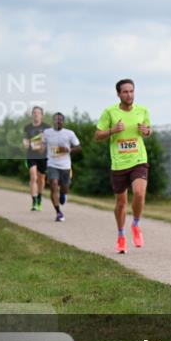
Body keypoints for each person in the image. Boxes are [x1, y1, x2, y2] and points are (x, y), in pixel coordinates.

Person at [95, 79, 152, 254]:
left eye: (131, 91)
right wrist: (112, 130)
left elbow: (149, 130)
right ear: (119, 94)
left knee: (140, 193)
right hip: (119, 163)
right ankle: (121, 236)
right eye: (125, 92)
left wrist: (147, 131)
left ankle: (135, 224)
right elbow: (97, 135)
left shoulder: (142, 110)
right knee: (121, 203)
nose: (129, 95)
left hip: (138, 160)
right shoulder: (109, 112)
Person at [41, 112, 81, 222]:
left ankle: (63, 194)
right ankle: (58, 212)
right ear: (52, 121)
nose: (58, 121)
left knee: (65, 188)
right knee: (53, 184)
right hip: (52, 164)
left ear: (63, 121)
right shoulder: (47, 133)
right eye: (56, 119)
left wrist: (69, 150)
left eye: (60, 120)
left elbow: (78, 147)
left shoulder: (69, 133)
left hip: (65, 166)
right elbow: (42, 145)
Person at [22, 106, 48, 211]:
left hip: (43, 156)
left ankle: (40, 198)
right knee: (33, 177)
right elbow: (25, 142)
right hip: (31, 156)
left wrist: (42, 145)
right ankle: (34, 202)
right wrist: (27, 143)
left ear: (42, 115)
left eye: (38, 112)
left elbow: (47, 142)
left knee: (41, 179)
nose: (36, 114)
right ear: (32, 115)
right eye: (34, 112)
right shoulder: (27, 128)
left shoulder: (47, 127)